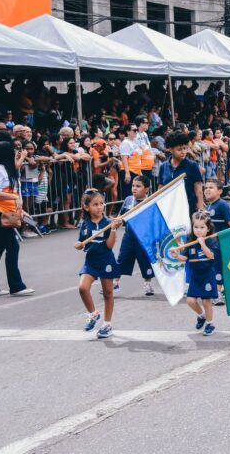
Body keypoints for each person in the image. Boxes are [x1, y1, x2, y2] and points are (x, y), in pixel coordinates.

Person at [0, 142, 35, 297]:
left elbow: (9, 192)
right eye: (13, 151)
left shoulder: (6, 168)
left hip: (3, 211)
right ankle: (16, 286)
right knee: (12, 246)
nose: (16, 153)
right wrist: (14, 197)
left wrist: (21, 210)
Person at [74, 189, 122, 339]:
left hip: (106, 260)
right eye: (95, 204)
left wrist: (113, 229)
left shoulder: (108, 223)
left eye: (102, 203)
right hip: (91, 261)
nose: (100, 207)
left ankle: (107, 324)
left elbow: (109, 246)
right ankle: (93, 313)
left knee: (108, 293)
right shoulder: (85, 224)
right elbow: (82, 242)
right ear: (86, 207)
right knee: (83, 288)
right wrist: (80, 244)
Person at [175, 212, 220, 336]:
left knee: (206, 301)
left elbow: (211, 255)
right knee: (190, 301)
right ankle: (202, 316)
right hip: (196, 276)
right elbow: (184, 258)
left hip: (207, 275)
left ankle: (210, 324)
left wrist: (203, 244)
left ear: (208, 228)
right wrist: (176, 255)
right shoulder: (191, 243)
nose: (198, 230)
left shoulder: (211, 241)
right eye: (196, 227)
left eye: (202, 227)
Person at [115, 175, 155, 296]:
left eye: (138, 186)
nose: (134, 188)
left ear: (146, 189)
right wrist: (113, 228)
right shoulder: (128, 200)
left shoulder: (150, 202)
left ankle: (148, 284)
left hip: (143, 238)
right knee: (122, 259)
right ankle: (115, 282)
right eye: (133, 186)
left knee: (145, 261)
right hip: (129, 236)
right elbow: (120, 217)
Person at [203, 178, 230, 306]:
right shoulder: (209, 206)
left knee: (218, 267)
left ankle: (218, 294)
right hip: (212, 244)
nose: (207, 190)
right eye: (206, 187)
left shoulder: (222, 205)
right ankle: (220, 291)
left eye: (211, 187)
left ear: (220, 191)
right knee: (214, 267)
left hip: (221, 243)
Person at [159, 133, 203, 215]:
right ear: (171, 149)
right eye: (179, 149)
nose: (183, 152)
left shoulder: (192, 166)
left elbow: (198, 190)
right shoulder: (163, 167)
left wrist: (200, 209)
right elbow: (161, 190)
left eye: (185, 148)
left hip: (189, 208)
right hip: (170, 209)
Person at [119, 123, 143, 198]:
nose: (136, 132)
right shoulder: (125, 143)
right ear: (128, 132)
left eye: (137, 130)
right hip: (130, 171)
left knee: (136, 194)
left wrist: (140, 172)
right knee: (129, 195)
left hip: (136, 171)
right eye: (134, 130)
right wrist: (127, 173)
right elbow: (124, 158)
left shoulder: (134, 142)